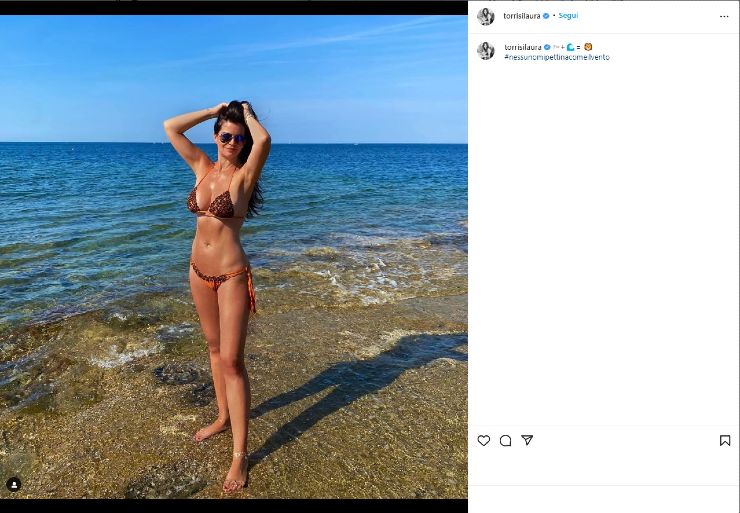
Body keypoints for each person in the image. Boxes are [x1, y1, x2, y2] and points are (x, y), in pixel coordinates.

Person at [163, 100, 271, 493]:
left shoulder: (244, 178)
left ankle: (240, 455)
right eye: (226, 136)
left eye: (239, 138)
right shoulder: (202, 168)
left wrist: (247, 114)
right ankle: (223, 417)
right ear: (216, 136)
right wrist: (214, 110)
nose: (233, 142)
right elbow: (171, 127)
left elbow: (264, 140)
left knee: (232, 362)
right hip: (197, 272)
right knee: (212, 349)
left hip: (231, 276)